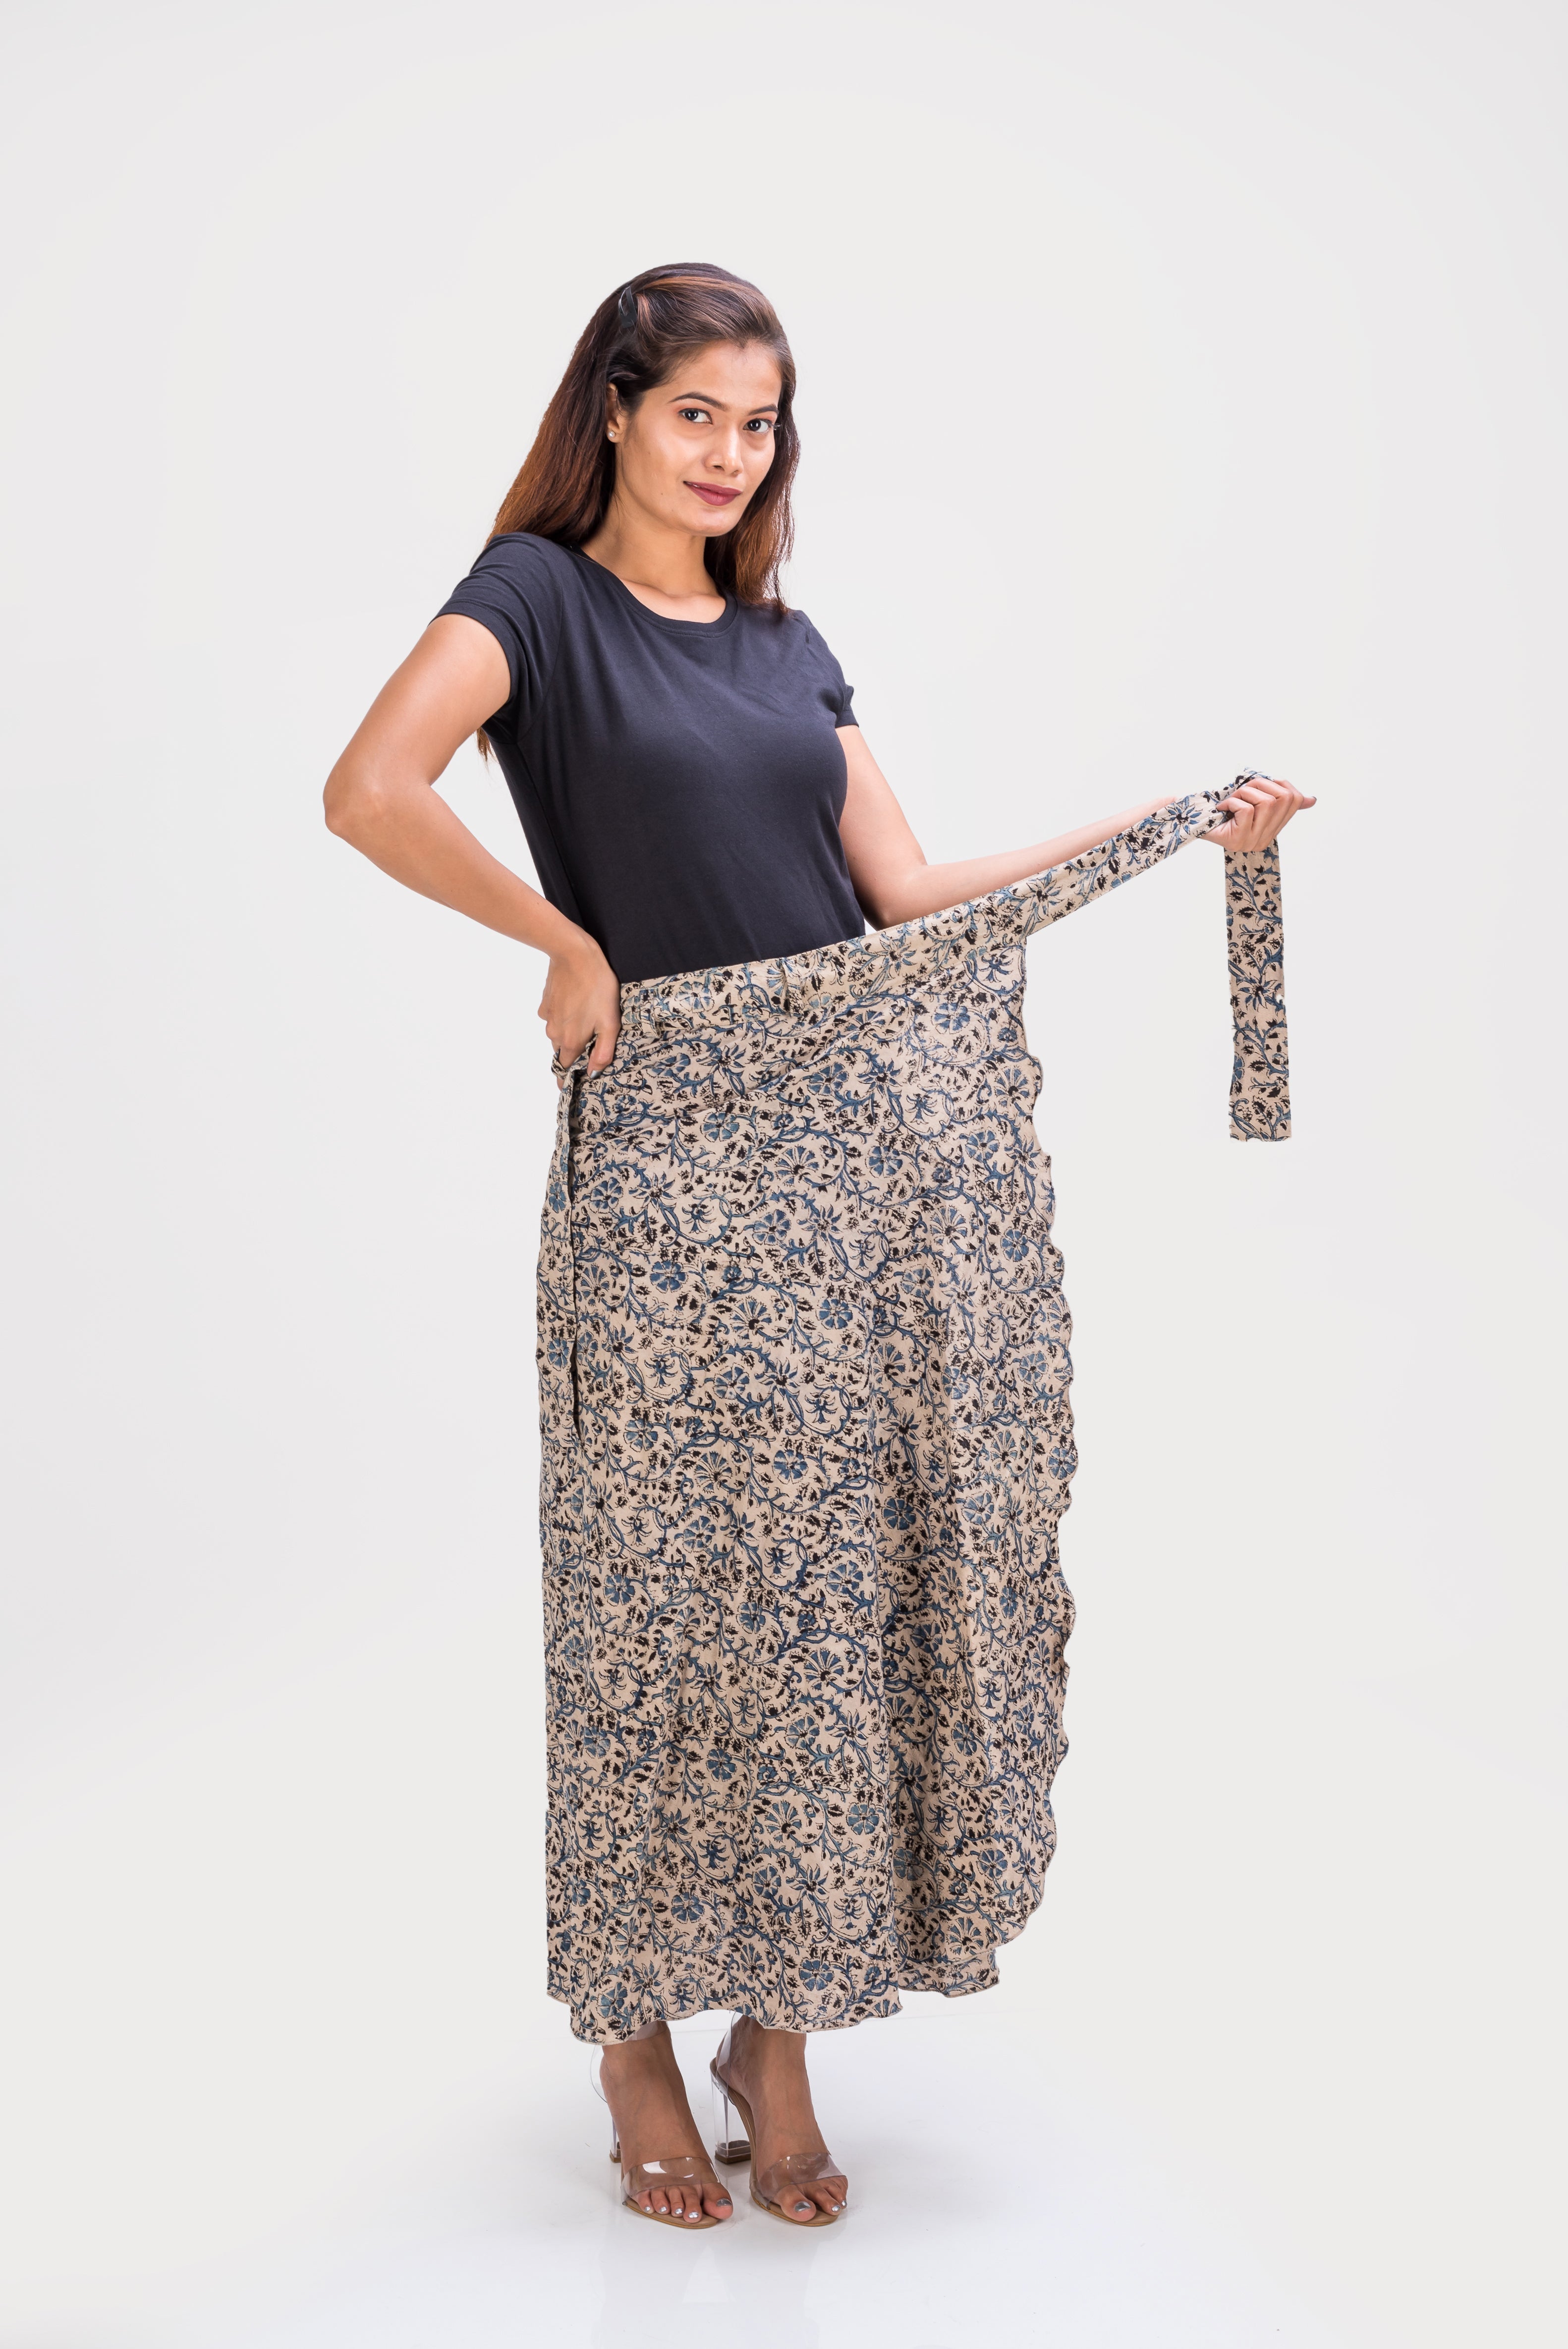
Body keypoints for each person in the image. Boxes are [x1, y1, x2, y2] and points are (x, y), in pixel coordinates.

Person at [323, 262, 1313, 2232]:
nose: (726, 453)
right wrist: (560, 939)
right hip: (669, 1174)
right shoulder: (533, 601)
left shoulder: (787, 645)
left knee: (825, 1602)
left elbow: (905, 891)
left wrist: (1171, 823)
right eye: (694, 411)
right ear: (615, 410)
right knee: (649, 1602)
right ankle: (631, 2031)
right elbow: (367, 789)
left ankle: (775, 2035)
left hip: (852, 1185)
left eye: (757, 422)